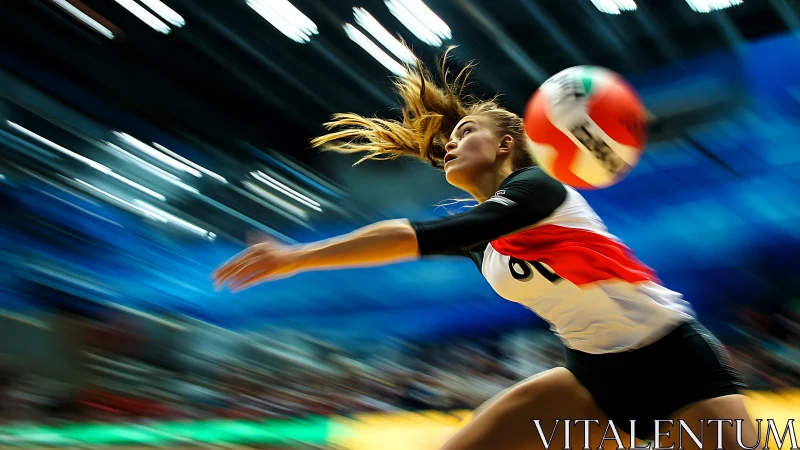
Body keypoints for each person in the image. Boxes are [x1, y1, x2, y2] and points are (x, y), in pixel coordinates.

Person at [213, 49, 757, 450]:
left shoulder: (538, 189)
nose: (451, 142)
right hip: (593, 377)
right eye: (451, 138)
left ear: (505, 145)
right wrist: (301, 258)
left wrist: (297, 257)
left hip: (674, 363)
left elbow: (417, 235)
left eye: (466, 131)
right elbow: (401, 241)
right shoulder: (485, 242)